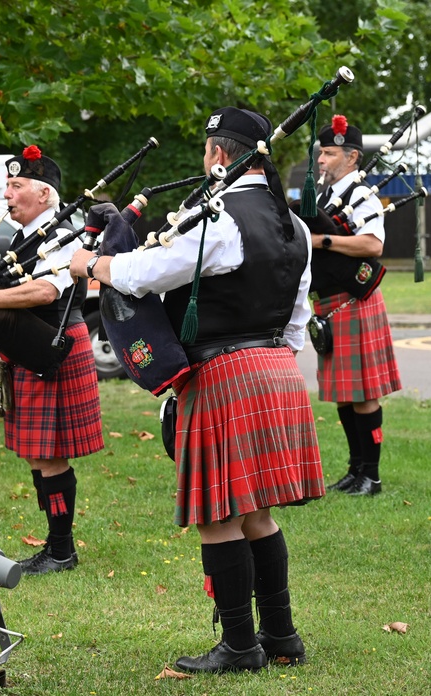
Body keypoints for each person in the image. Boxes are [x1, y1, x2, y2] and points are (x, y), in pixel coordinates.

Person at [70, 108, 324, 674]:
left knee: (219, 514)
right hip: (278, 367)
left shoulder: (217, 218)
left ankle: (239, 645)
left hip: (225, 373)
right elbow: (297, 318)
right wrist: (269, 357)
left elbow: (143, 275)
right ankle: (281, 636)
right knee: (256, 510)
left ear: (217, 154)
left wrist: (94, 264)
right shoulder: (297, 226)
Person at [0, 146, 103, 575]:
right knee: (38, 455)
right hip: (31, 347)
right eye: (8, 186)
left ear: (45, 194)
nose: (7, 195)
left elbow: (46, 291)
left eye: (16, 186)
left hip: (54, 344)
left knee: (51, 456)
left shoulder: (60, 234)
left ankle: (61, 550)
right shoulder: (24, 238)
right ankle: (55, 544)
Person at [312, 115, 402, 496]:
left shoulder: (362, 196)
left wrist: (323, 242)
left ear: (351, 158)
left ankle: (372, 475)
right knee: (344, 393)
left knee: (364, 393)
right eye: (320, 153)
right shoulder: (324, 198)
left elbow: (372, 245)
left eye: (329, 154)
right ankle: (355, 469)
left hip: (355, 300)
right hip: (330, 302)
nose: (320, 160)